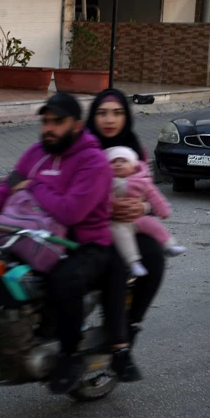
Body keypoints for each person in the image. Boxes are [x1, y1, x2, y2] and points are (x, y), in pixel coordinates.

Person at [0, 92, 113, 394]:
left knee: (64, 280)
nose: (49, 128)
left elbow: (71, 211)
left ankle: (69, 356)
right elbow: (5, 191)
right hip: (35, 239)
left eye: (58, 122)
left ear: (77, 126)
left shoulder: (94, 162)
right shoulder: (35, 154)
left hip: (85, 243)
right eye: (46, 121)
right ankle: (6, 338)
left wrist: (36, 186)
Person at [87, 89, 167, 381]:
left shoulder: (135, 148)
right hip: (93, 227)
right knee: (116, 267)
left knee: (155, 259)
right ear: (93, 116)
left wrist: (141, 206)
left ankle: (131, 327)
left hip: (130, 224)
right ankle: (117, 344)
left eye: (117, 113)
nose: (110, 120)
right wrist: (110, 207)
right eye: (102, 112)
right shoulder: (84, 147)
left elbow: (150, 192)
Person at [106, 145, 185, 277]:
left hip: (138, 218)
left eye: (123, 161)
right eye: (113, 162)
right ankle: (133, 263)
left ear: (133, 166)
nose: (118, 165)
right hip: (117, 221)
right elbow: (101, 198)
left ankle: (169, 245)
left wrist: (161, 210)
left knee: (153, 224)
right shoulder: (107, 182)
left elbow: (154, 195)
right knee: (122, 237)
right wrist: (110, 207)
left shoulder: (141, 181)